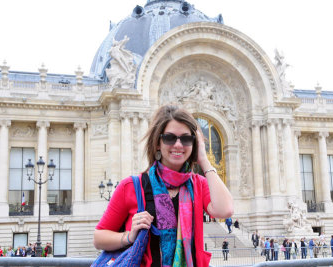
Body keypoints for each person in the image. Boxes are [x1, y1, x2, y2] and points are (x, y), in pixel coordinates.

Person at [93, 105, 234, 267]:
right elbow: (99, 237)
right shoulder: (131, 186)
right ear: (158, 143)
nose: (178, 145)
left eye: (186, 139)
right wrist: (129, 236)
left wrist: (203, 158)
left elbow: (225, 210)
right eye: (170, 138)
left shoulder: (198, 184)